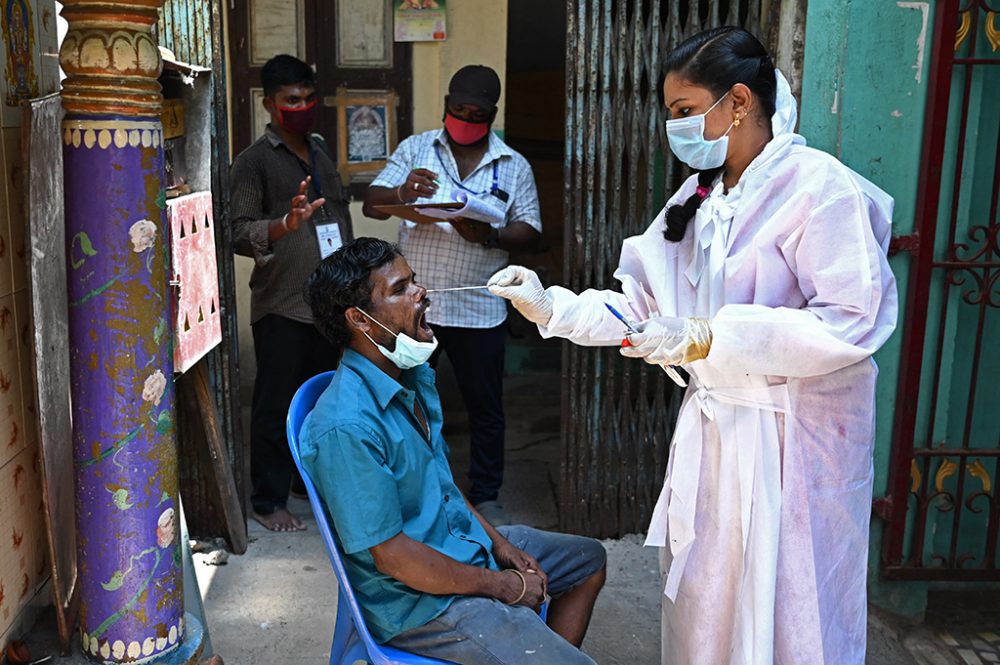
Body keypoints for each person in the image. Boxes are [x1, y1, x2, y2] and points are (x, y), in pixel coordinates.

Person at [489, 26, 898, 665]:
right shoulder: (699, 200)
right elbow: (641, 311)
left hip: (794, 443)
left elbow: (852, 320)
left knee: (790, 602)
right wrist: (554, 306)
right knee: (708, 598)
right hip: (716, 433)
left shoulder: (818, 188)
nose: (673, 129)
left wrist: (714, 337)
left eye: (684, 112)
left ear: (737, 102)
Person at [300, 238, 606, 665]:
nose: (420, 292)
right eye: (400, 288)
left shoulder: (410, 376)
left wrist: (499, 544)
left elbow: (440, 484)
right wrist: (504, 586)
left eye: (415, 281)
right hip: (419, 600)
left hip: (457, 544)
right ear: (360, 319)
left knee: (588, 560)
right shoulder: (346, 426)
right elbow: (394, 559)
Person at [362, 65, 542, 523]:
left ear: (492, 114)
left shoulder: (513, 165)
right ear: (445, 103)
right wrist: (402, 192)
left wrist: (490, 234)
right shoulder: (417, 148)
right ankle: (413, 488)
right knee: (405, 401)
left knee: (485, 407)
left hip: (478, 307)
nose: (464, 118)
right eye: (457, 109)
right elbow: (373, 203)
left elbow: (530, 231)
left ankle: (485, 493)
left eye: (475, 113)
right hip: (415, 307)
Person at [229, 54, 353, 532]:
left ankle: (309, 484)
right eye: (291, 100)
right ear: (270, 104)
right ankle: (268, 499)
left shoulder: (321, 150)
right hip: (282, 305)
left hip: (330, 306)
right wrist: (286, 223)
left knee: (323, 401)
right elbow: (238, 232)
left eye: (307, 98)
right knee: (276, 404)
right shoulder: (254, 162)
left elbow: (337, 218)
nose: (301, 107)